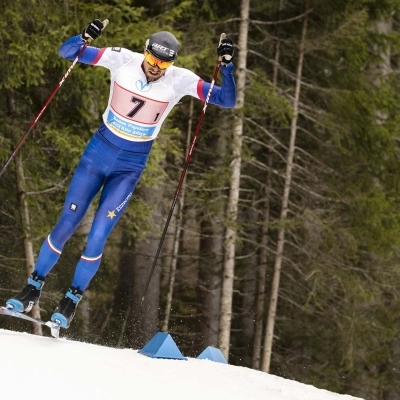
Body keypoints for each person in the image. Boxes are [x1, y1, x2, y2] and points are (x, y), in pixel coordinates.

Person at [6, 20, 236, 329]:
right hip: (98, 153)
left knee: (98, 236)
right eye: (153, 60)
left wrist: (227, 67)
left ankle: (70, 300)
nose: (156, 68)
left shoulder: (179, 80)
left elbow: (227, 100)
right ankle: (32, 288)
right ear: (145, 51)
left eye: (164, 63)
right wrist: (85, 36)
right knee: (66, 224)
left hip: (130, 165)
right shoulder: (121, 59)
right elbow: (68, 52)